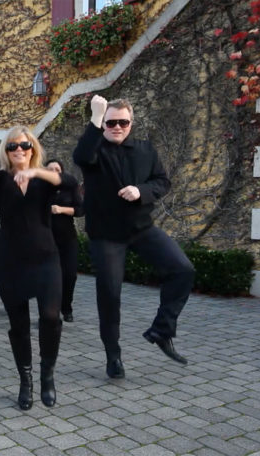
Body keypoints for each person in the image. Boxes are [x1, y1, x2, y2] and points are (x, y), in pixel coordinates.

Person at [72, 95, 195, 379]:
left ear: (131, 123)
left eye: (122, 122)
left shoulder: (145, 150)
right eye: (110, 122)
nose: (117, 127)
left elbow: (162, 181)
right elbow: (81, 156)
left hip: (141, 229)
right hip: (106, 237)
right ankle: (113, 356)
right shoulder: (95, 150)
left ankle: (161, 331)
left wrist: (141, 191)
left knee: (182, 270)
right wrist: (95, 116)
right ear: (103, 124)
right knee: (110, 295)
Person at [0, 105, 75, 410]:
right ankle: (25, 380)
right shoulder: (1, 181)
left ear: (33, 149)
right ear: (7, 151)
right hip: (11, 262)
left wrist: (36, 171)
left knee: (51, 318)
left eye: (24, 145)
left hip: (46, 259)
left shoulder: (44, 179)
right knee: (19, 325)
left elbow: (68, 183)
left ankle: (48, 376)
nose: (19, 149)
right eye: (13, 145)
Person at [45, 159, 84, 323]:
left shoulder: (69, 188)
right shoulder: (41, 189)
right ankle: (49, 311)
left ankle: (66, 307)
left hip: (68, 238)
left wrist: (60, 209)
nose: (54, 171)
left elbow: (80, 210)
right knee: (50, 276)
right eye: (50, 169)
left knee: (69, 275)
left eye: (57, 168)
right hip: (46, 238)